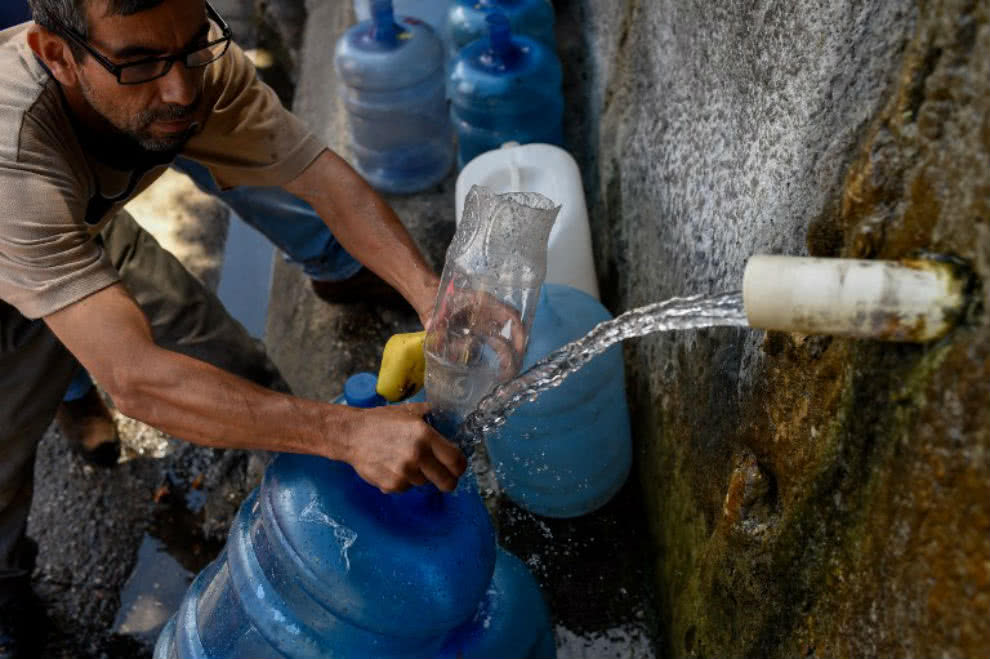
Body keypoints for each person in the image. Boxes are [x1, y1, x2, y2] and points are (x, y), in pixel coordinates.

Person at [0, 0, 466, 656]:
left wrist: (434, 302)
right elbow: (136, 380)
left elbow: (325, 181)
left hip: (79, 224)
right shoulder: (16, 162)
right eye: (139, 64)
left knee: (226, 374)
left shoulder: (184, 65)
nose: (182, 90)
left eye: (193, 45)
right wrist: (346, 432)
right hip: (14, 246)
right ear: (57, 56)